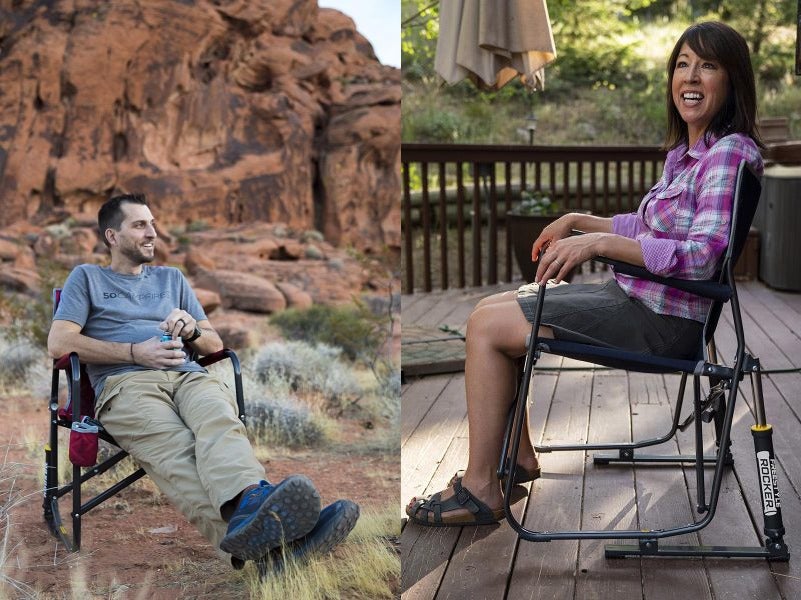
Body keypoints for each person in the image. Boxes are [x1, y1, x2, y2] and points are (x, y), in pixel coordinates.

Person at [406, 21, 764, 526]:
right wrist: (579, 221)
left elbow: (704, 253)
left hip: (662, 322)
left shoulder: (727, 153)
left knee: (487, 328)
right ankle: (517, 457)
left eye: (707, 65)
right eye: (682, 63)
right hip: (640, 303)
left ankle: (483, 486)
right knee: (489, 310)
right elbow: (645, 225)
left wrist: (599, 244)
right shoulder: (688, 156)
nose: (691, 75)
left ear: (731, 82)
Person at [48, 193, 359, 567]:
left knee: (219, 421)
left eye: (153, 223)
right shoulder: (87, 278)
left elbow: (214, 343)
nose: (152, 233)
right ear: (112, 236)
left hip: (188, 376)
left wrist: (193, 328)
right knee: (179, 453)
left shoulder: (171, 279)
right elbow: (59, 342)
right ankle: (271, 555)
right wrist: (135, 352)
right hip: (126, 384)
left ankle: (251, 503)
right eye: (140, 225)